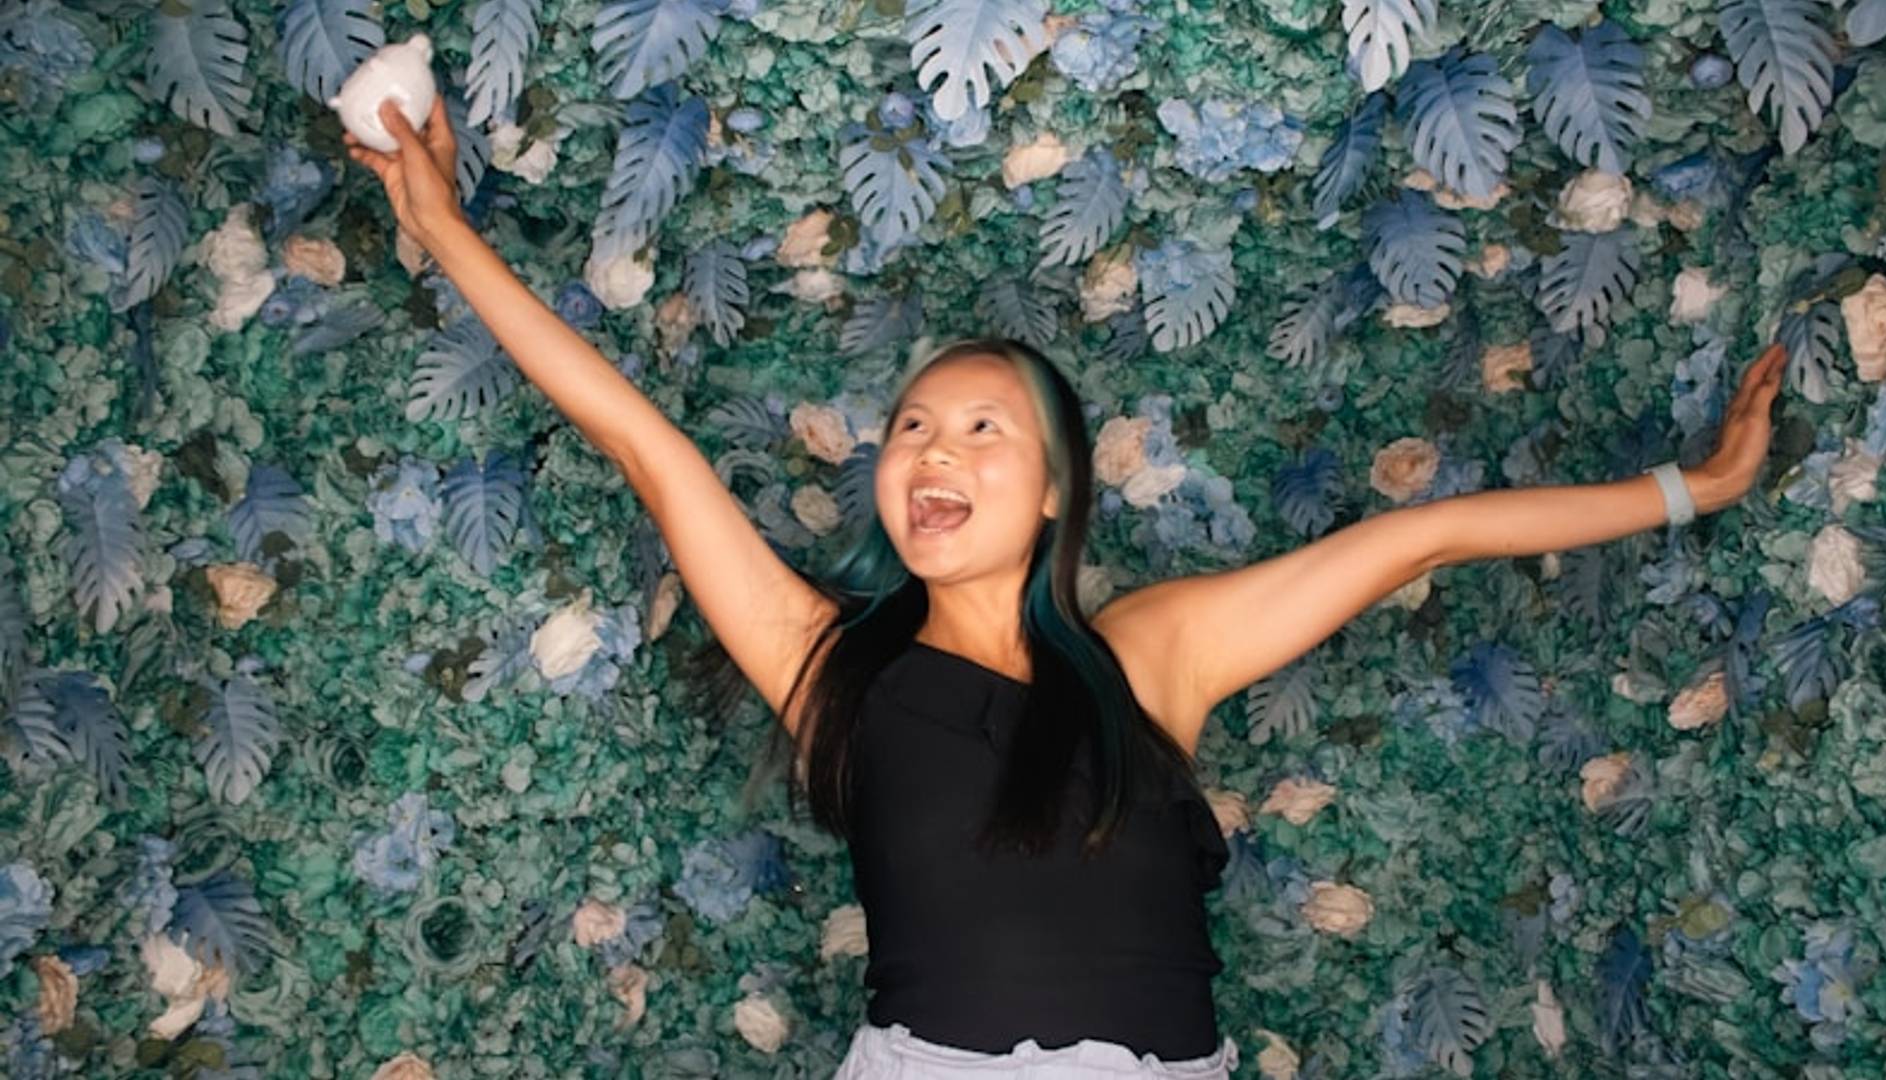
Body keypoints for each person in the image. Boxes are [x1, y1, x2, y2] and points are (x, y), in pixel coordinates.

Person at [346, 96, 1789, 1078]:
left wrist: (1696, 490)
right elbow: (647, 451)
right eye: (911, 425)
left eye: (983, 429)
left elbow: (1418, 538)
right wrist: (445, 230)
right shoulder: (822, 662)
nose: (932, 447)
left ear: (1051, 495)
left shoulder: (1154, 653)